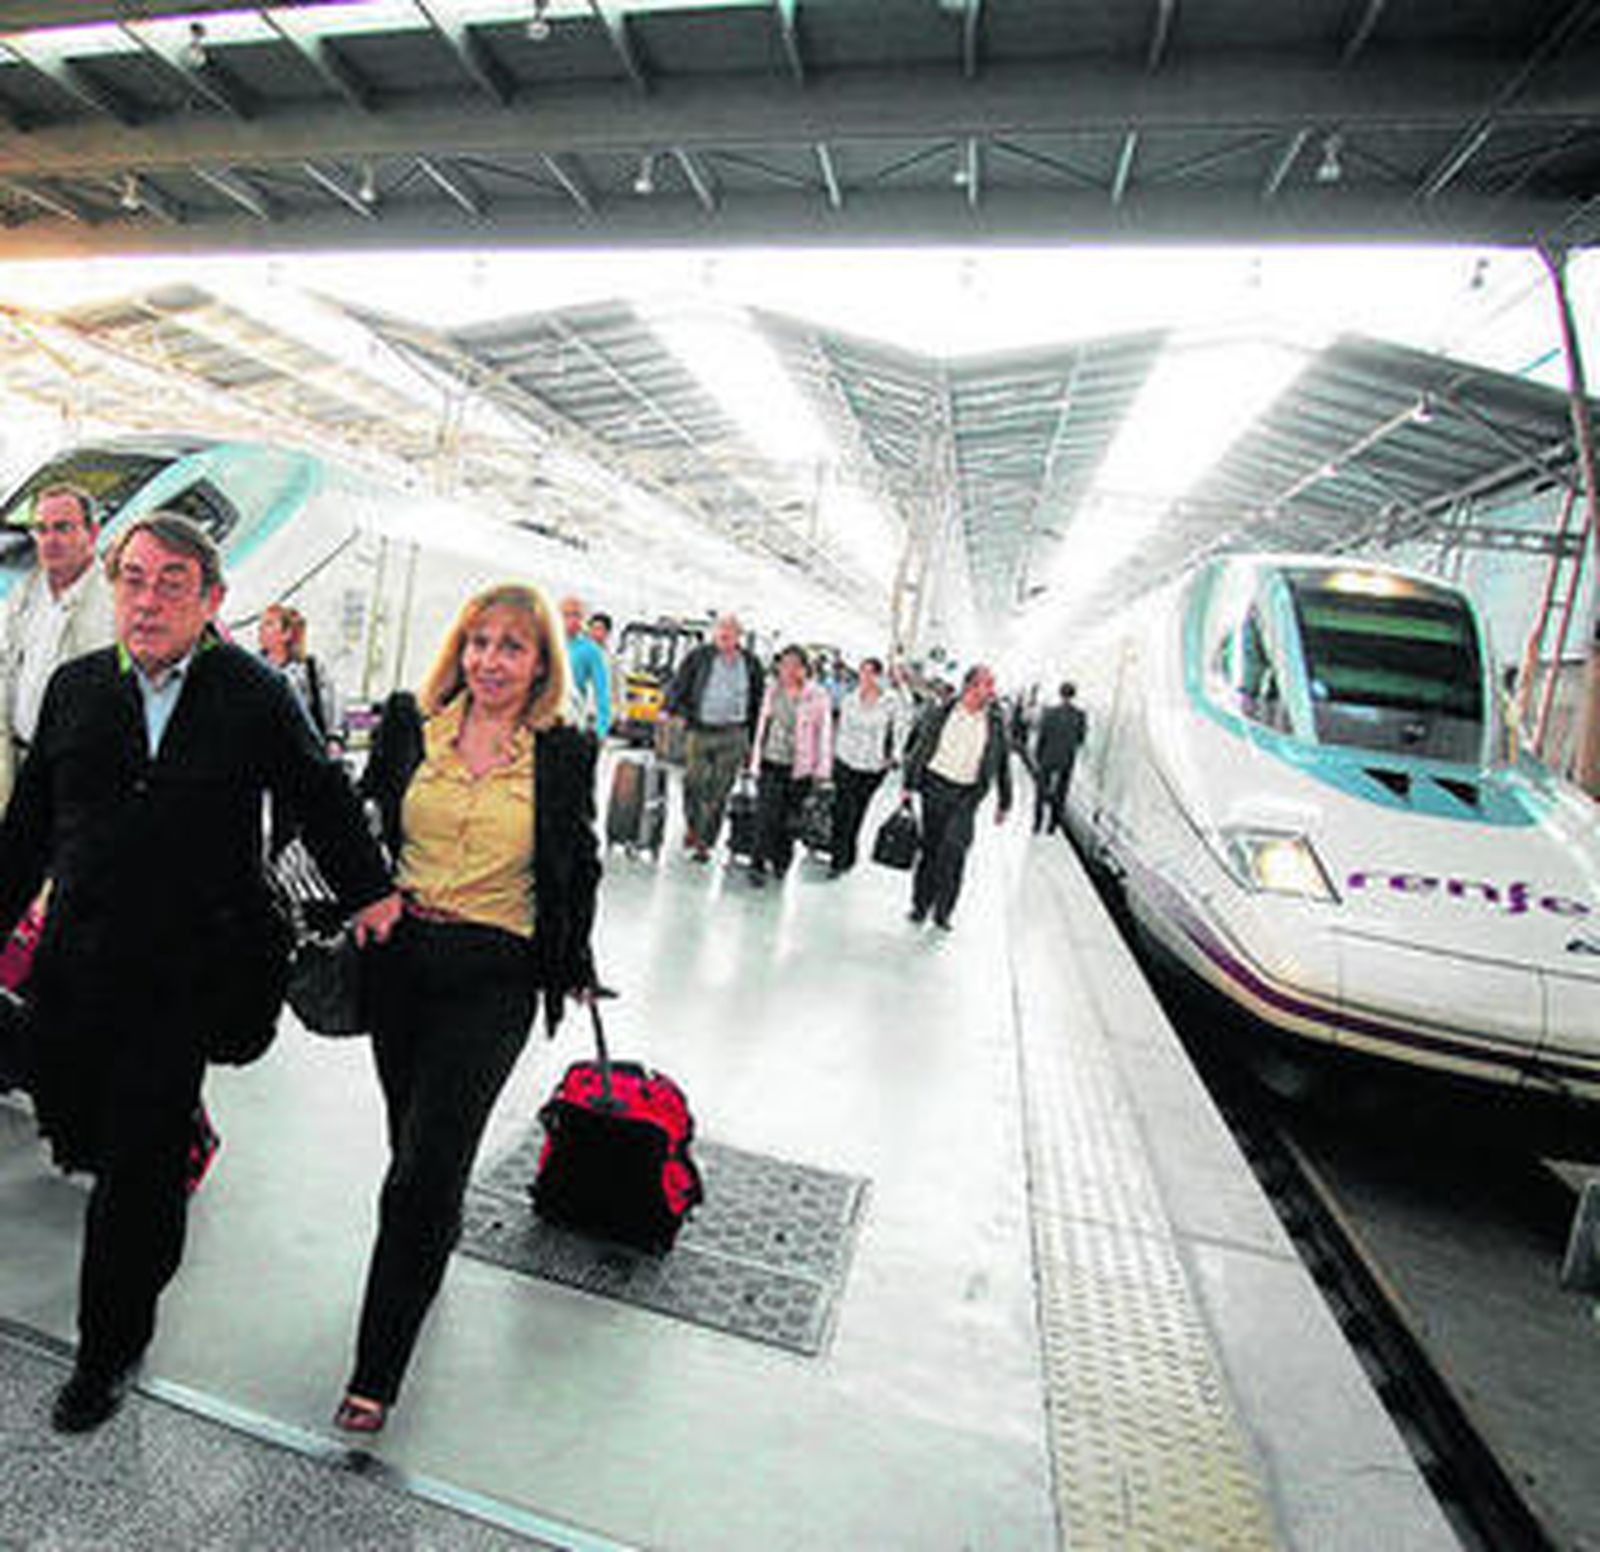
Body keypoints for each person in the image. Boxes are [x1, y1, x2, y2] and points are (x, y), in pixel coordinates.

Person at [0, 512, 400, 1435]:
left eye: (170, 582)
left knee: (136, 1174)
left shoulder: (253, 694)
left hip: (181, 976)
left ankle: (107, 1350)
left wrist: (373, 894)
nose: (146, 600)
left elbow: (322, 798)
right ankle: (139, 1188)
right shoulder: (73, 692)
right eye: (133, 579)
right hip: (76, 967)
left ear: (213, 599)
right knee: (75, 1125)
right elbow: (26, 833)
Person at [336, 581, 602, 1436]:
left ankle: (376, 1371)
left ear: (539, 665)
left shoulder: (562, 750)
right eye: (480, 641)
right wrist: (366, 895)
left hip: (496, 972)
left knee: (423, 1168)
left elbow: (578, 859)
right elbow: (362, 820)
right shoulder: (411, 725)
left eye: (512, 647)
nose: (491, 659)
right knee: (407, 1144)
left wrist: (575, 956)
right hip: (401, 962)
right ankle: (427, 1243)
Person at [0, 484, 116, 815]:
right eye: (42, 529)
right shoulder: (23, 596)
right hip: (18, 765)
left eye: (63, 528)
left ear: (92, 533)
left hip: (79, 779)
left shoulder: (116, 602)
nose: (50, 540)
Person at [901, 663, 1012, 930]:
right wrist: (908, 784)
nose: (992, 691)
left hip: (967, 795)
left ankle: (944, 911)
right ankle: (920, 905)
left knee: (955, 851)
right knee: (930, 849)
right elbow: (921, 746)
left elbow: (1002, 763)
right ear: (971, 686)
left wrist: (1005, 801)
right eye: (988, 684)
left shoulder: (995, 722)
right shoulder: (942, 712)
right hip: (935, 787)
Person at [664, 613, 765, 862]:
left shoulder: (751, 664)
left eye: (729, 634)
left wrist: (753, 741)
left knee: (720, 790)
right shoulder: (699, 657)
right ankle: (693, 825)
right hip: (700, 730)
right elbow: (679, 685)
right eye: (720, 633)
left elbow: (758, 703)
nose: (724, 637)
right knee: (693, 783)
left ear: (738, 636)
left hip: (734, 734)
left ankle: (704, 841)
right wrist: (673, 710)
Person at [746, 644, 833, 888]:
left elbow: (824, 735)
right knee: (766, 816)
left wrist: (822, 772)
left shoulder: (817, 696)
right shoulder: (772, 690)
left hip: (799, 769)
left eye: (793, 665)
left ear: (804, 669)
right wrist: (754, 759)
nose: (786, 669)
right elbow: (762, 727)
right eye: (783, 664)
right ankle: (757, 863)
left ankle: (781, 861)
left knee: (789, 821)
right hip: (771, 762)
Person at [829, 655, 906, 876]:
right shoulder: (850, 699)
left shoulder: (891, 702)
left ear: (878, 676)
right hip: (845, 760)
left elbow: (900, 729)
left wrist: (895, 756)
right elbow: (841, 728)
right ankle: (838, 857)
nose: (865, 677)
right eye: (862, 672)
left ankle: (847, 853)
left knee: (856, 812)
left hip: (873, 766)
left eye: (870, 673)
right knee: (841, 809)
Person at [258, 602, 344, 753]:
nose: (261, 630)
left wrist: (334, 740)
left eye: (269, 624)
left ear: (286, 634)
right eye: (261, 624)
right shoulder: (254, 669)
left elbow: (332, 708)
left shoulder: (312, 669)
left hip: (305, 752)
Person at [1033, 680, 1087, 835]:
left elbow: (1042, 736)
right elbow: (1080, 739)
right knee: (1061, 793)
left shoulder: (1049, 712)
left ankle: (1037, 823)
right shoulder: (1080, 715)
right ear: (1074, 695)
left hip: (1047, 757)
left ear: (1060, 693)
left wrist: (1038, 757)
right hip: (1067, 760)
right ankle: (1052, 825)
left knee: (1041, 792)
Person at [559, 593, 611, 740]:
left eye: (577, 615)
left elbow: (602, 695)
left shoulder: (591, 650)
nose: (572, 620)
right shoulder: (546, 643)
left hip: (571, 720)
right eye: (567, 615)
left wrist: (600, 732)